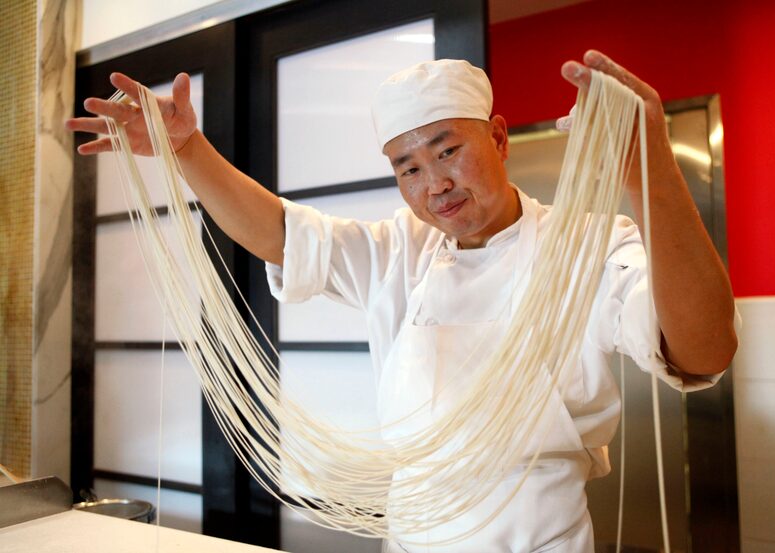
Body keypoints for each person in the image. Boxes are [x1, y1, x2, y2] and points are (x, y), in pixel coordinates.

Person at [67, 50, 738, 552]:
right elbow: (280, 233)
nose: (432, 184)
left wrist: (652, 171)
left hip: (536, 539)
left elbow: (706, 347)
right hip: (410, 538)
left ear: (498, 138)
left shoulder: (586, 244)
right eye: (407, 167)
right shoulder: (402, 250)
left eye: (448, 151)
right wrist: (187, 149)